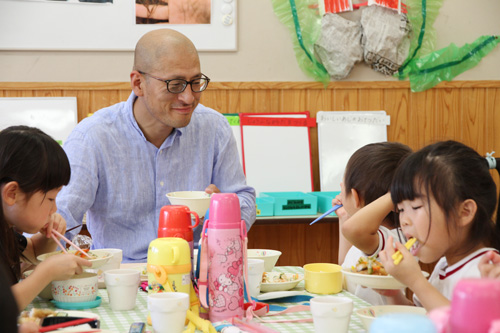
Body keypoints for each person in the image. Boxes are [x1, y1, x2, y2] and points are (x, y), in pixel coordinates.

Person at [56, 28, 256, 263]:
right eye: (175, 84)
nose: (189, 97)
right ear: (138, 83)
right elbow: (59, 218)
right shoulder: (92, 137)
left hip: (194, 274)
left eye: (195, 82)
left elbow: (243, 198)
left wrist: (225, 210)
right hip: (120, 279)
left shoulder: (214, 128)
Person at [378, 140, 500, 311]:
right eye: (400, 209)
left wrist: (416, 281)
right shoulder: (444, 264)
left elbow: (461, 326)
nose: (404, 220)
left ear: (464, 212)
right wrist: (393, 294)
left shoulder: (488, 271)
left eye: (415, 207)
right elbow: (427, 318)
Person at [0, 126, 91, 311]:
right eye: (50, 199)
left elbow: (32, 253)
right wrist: (46, 273)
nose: (55, 208)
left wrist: (49, 237)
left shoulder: (6, 228)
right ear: (12, 193)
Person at [334, 142, 412, 305]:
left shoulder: (392, 241)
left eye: (344, 184)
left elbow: (353, 230)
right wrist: (345, 217)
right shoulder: (376, 237)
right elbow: (345, 267)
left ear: (355, 197)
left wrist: (394, 194)